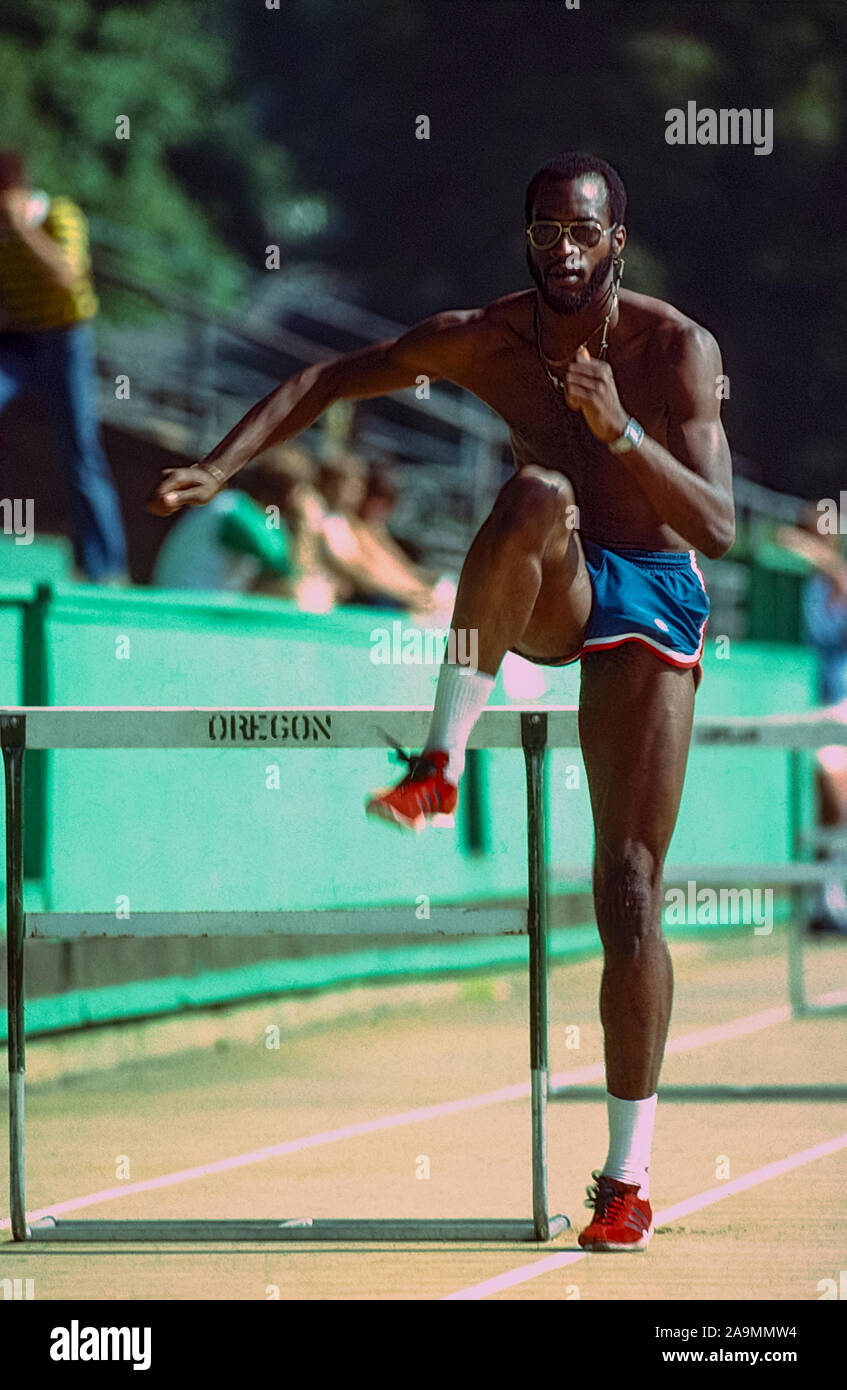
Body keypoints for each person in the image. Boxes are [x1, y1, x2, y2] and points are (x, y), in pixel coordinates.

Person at [146, 151, 734, 1252]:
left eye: (581, 231)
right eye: (543, 229)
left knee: (630, 887)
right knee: (532, 492)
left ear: (617, 239)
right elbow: (329, 377)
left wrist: (622, 431)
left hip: (652, 587)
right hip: (555, 579)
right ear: (526, 238)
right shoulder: (487, 336)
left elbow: (719, 527)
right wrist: (220, 468)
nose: (562, 248)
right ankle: (437, 762)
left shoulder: (673, 348)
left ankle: (627, 1178)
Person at [0, 150, 128, 581]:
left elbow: (67, 274)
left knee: (80, 450)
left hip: (66, 339)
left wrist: (23, 230)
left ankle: (105, 568)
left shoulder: (60, 215)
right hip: (18, 343)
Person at [776, 511, 847, 933]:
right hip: (822, 710)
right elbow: (779, 536)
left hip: (841, 708)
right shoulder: (812, 583)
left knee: (836, 807)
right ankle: (826, 901)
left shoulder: (835, 578)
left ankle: (829, 900)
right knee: (833, 802)